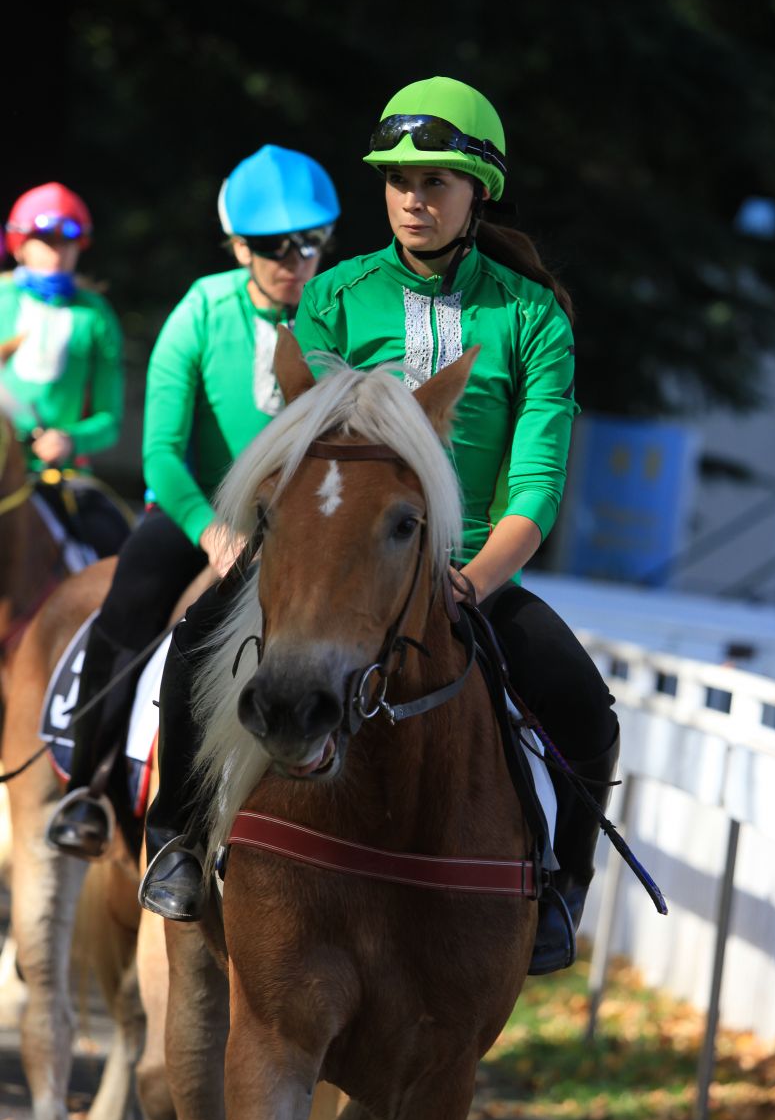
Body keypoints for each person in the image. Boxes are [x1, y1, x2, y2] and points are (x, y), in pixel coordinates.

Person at [137, 76, 618, 978]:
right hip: (340, 560)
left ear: (479, 192)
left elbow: (537, 487)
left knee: (586, 706)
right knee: (198, 635)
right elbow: (307, 451)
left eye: (435, 182)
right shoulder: (333, 296)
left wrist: (473, 581)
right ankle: (179, 838)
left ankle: (563, 887)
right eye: (398, 180)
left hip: (470, 574)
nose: (413, 199)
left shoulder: (532, 316)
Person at [45, 145, 340, 860]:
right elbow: (160, 454)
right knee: (129, 600)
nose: (295, 260)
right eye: (274, 246)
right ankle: (88, 786)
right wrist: (211, 532)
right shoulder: (201, 310)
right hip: (197, 514)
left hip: (302, 524)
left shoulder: (341, 318)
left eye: (310, 242)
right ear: (239, 246)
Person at [0, 182, 129, 556]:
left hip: (59, 482)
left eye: (68, 240)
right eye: (45, 239)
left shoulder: (96, 315)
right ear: (20, 244)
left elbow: (109, 420)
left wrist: (71, 440)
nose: (58, 250)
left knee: (117, 553)